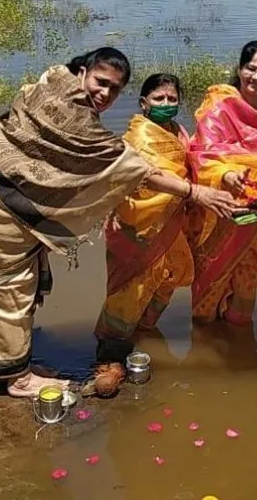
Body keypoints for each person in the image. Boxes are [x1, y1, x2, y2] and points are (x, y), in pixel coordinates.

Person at [0, 48, 238, 398]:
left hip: (7, 184)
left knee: (24, 278)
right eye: (100, 82)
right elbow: (133, 170)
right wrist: (195, 192)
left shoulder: (54, 82)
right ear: (82, 72)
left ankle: (14, 365)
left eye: (114, 89)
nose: (105, 93)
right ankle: (17, 379)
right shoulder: (82, 122)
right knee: (7, 283)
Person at [188, 40, 257, 325]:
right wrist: (225, 174)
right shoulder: (219, 106)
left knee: (249, 278)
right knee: (210, 280)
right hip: (221, 207)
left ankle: (240, 337)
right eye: (251, 68)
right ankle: (205, 339)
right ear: (239, 69)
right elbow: (201, 152)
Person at [95, 73, 195, 365]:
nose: (166, 103)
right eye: (158, 98)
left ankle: (143, 333)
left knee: (168, 277)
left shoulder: (179, 133)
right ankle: (109, 353)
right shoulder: (137, 138)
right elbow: (127, 180)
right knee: (130, 289)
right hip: (137, 227)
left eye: (172, 98)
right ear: (144, 103)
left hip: (171, 223)